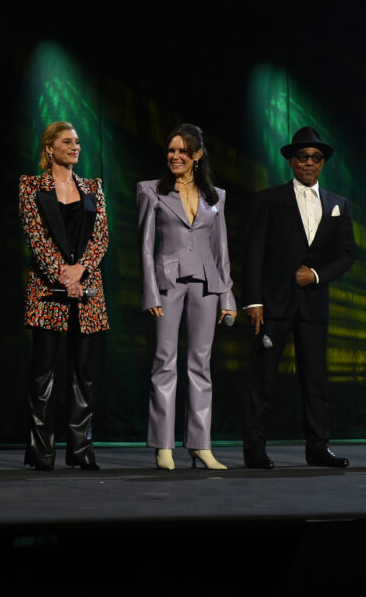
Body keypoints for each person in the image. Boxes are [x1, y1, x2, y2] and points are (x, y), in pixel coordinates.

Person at [242, 126, 356, 469]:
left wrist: (317, 275)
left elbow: (348, 253)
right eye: (303, 157)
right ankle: (255, 447)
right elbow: (253, 254)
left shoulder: (338, 204)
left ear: (323, 163)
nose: (309, 163)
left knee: (316, 378)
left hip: (313, 304)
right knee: (263, 378)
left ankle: (318, 446)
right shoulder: (269, 199)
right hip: (273, 302)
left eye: (316, 158)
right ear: (292, 162)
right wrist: (253, 301)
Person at [137, 124, 235, 471]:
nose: (174, 156)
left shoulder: (215, 196)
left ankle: (200, 444)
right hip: (168, 283)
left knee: (201, 364)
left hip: (207, 283)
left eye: (182, 151)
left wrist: (228, 298)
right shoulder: (151, 191)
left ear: (197, 155)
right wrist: (150, 292)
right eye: (170, 151)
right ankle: (164, 445)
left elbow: (221, 249)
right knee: (164, 361)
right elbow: (146, 247)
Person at [19, 122, 109, 471]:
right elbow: (36, 236)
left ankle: (81, 451)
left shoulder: (93, 188)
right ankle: (41, 453)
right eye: (68, 142)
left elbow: (102, 236)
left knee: (82, 374)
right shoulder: (31, 186)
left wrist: (80, 271)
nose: (76, 147)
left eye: (78, 142)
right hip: (47, 291)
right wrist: (62, 273)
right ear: (49, 148)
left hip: (87, 292)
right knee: (43, 373)